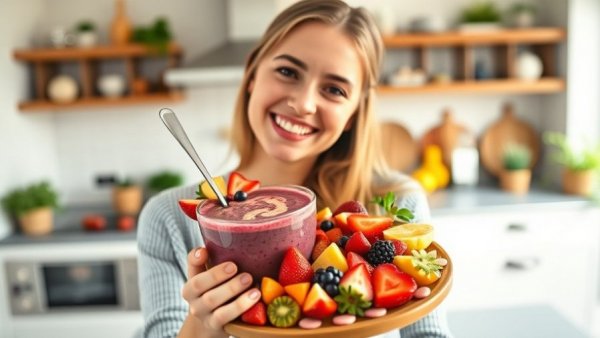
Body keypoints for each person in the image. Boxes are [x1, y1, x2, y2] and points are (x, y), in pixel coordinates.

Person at [137, 0, 453, 337]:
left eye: (334, 89)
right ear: (252, 76)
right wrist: (202, 326)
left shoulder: (397, 206)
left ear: (354, 113)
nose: (303, 104)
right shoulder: (168, 218)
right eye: (287, 72)